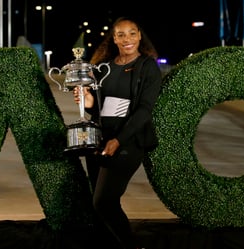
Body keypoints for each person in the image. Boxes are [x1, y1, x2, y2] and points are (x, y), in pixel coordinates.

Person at [73, 16, 162, 249]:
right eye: (121, 34)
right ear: (114, 39)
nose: (127, 39)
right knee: (97, 202)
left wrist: (118, 140)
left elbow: (144, 110)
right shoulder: (105, 67)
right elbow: (97, 106)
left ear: (140, 36)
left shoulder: (148, 66)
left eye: (132, 33)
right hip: (98, 139)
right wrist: (87, 100)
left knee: (104, 202)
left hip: (128, 141)